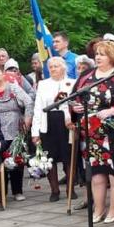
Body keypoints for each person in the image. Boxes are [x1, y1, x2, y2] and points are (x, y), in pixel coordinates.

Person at [71, 40, 114, 223]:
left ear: (112, 56)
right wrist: (76, 107)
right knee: (97, 172)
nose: (98, 57)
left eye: (102, 54)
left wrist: (112, 110)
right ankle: (99, 209)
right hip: (93, 132)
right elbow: (74, 96)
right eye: (97, 54)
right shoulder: (87, 75)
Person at [0, 62, 33, 201]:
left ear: (2, 73)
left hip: (15, 129)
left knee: (17, 160)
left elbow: (28, 102)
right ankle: (1, 193)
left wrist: (28, 119)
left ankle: (18, 191)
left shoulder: (13, 88)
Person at [31, 57, 77, 201]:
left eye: (56, 66)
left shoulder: (73, 83)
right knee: (49, 158)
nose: (53, 69)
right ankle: (54, 190)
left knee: (68, 157)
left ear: (64, 67)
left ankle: (71, 188)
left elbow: (75, 105)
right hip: (48, 123)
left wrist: (72, 119)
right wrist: (35, 131)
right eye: (51, 66)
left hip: (66, 124)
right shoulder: (43, 84)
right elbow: (38, 108)